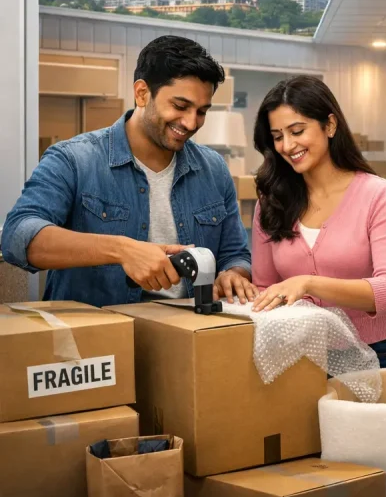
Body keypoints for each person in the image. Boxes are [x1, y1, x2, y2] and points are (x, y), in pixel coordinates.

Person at [1, 35, 255, 307]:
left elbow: (235, 254)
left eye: (202, 111)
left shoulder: (213, 169)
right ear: (142, 93)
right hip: (97, 338)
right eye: (180, 106)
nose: (192, 122)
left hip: (186, 337)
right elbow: (18, 237)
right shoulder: (74, 159)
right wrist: (122, 250)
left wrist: (233, 274)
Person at [247, 76, 386, 369]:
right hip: (296, 358)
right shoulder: (271, 202)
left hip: (374, 353)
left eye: (297, 131)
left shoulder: (378, 195)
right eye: (277, 136)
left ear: (330, 125)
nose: (287, 145)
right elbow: (264, 288)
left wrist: (309, 284)